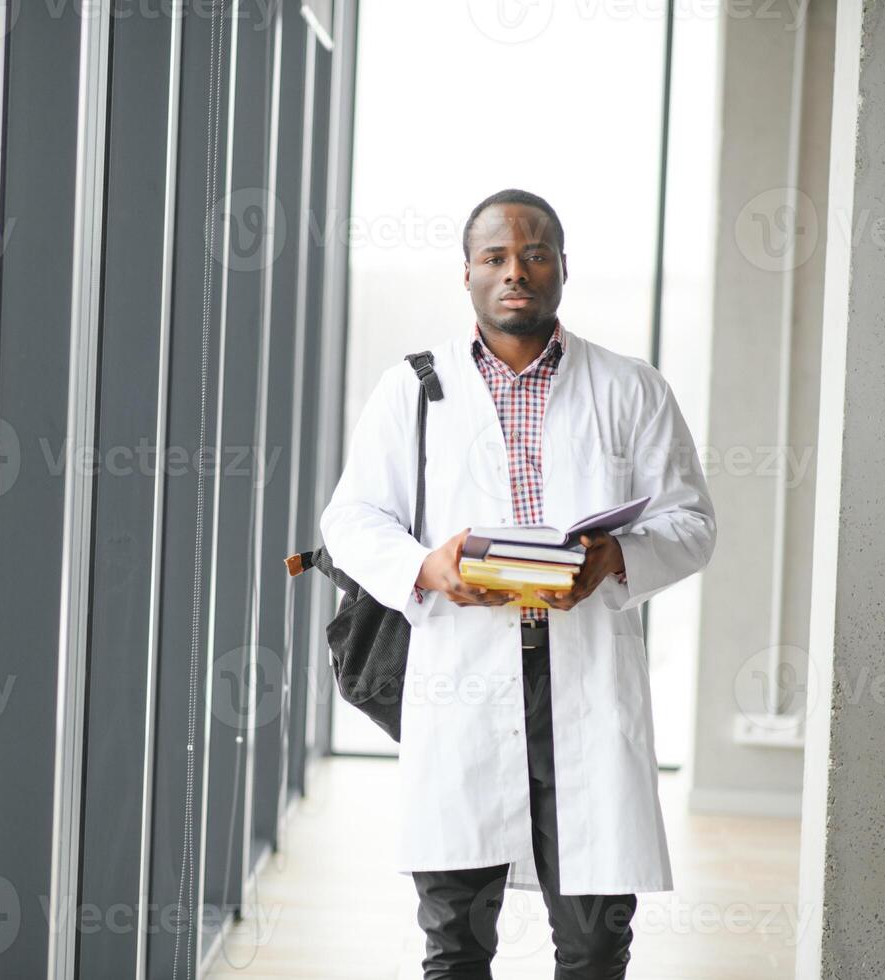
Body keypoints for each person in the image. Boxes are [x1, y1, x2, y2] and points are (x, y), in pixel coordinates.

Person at [319, 189, 716, 979]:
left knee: (597, 944)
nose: (515, 272)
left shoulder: (630, 389)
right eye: (494, 256)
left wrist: (610, 559)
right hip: (461, 683)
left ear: (561, 268)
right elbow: (353, 518)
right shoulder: (412, 389)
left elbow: (691, 523)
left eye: (534, 254)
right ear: (465, 273)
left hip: (584, 681)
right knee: (455, 943)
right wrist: (427, 566)